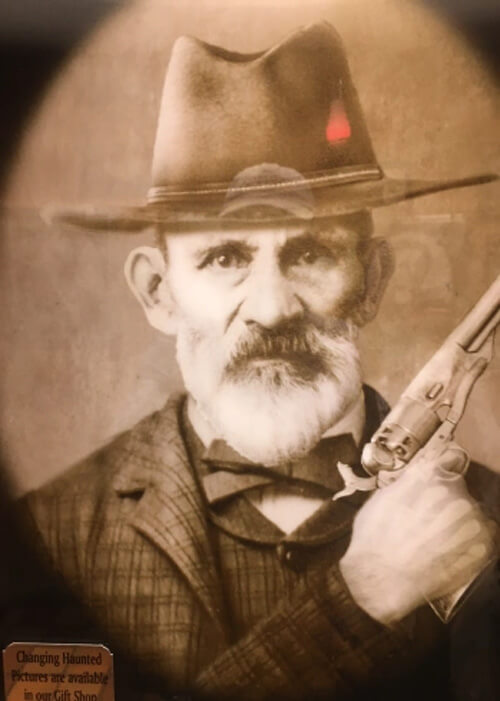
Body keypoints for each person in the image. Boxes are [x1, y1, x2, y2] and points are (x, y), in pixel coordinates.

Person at [17, 22, 499, 701]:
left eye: (310, 254)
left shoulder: (492, 517)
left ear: (371, 281)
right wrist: (359, 597)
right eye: (225, 257)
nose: (273, 308)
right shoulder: (49, 532)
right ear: (159, 292)